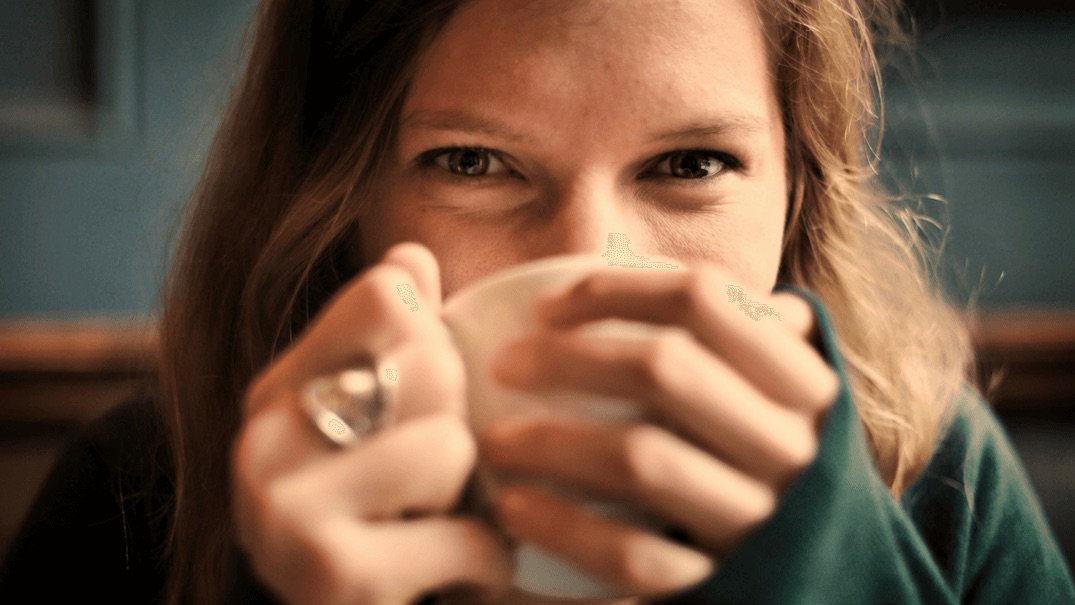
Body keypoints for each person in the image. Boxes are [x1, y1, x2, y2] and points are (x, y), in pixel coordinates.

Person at [1, 0, 1072, 603]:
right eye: (472, 161)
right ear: (340, 201)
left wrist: (825, 572)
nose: (592, 262)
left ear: (798, 191)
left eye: (691, 163)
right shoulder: (141, 495)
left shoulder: (935, 479)